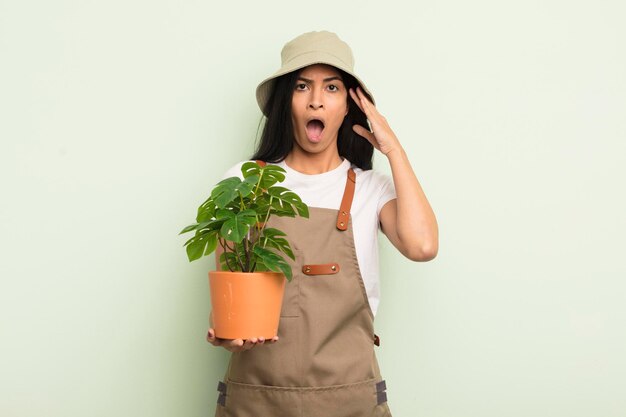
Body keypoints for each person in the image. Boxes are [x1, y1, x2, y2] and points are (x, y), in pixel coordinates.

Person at [206, 30, 438, 416]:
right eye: (302, 86)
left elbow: (423, 246)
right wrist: (230, 335)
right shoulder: (245, 181)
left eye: (332, 87)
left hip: (350, 403)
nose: (316, 99)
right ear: (287, 102)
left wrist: (393, 148)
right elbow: (229, 299)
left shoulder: (371, 189)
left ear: (348, 105)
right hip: (256, 401)